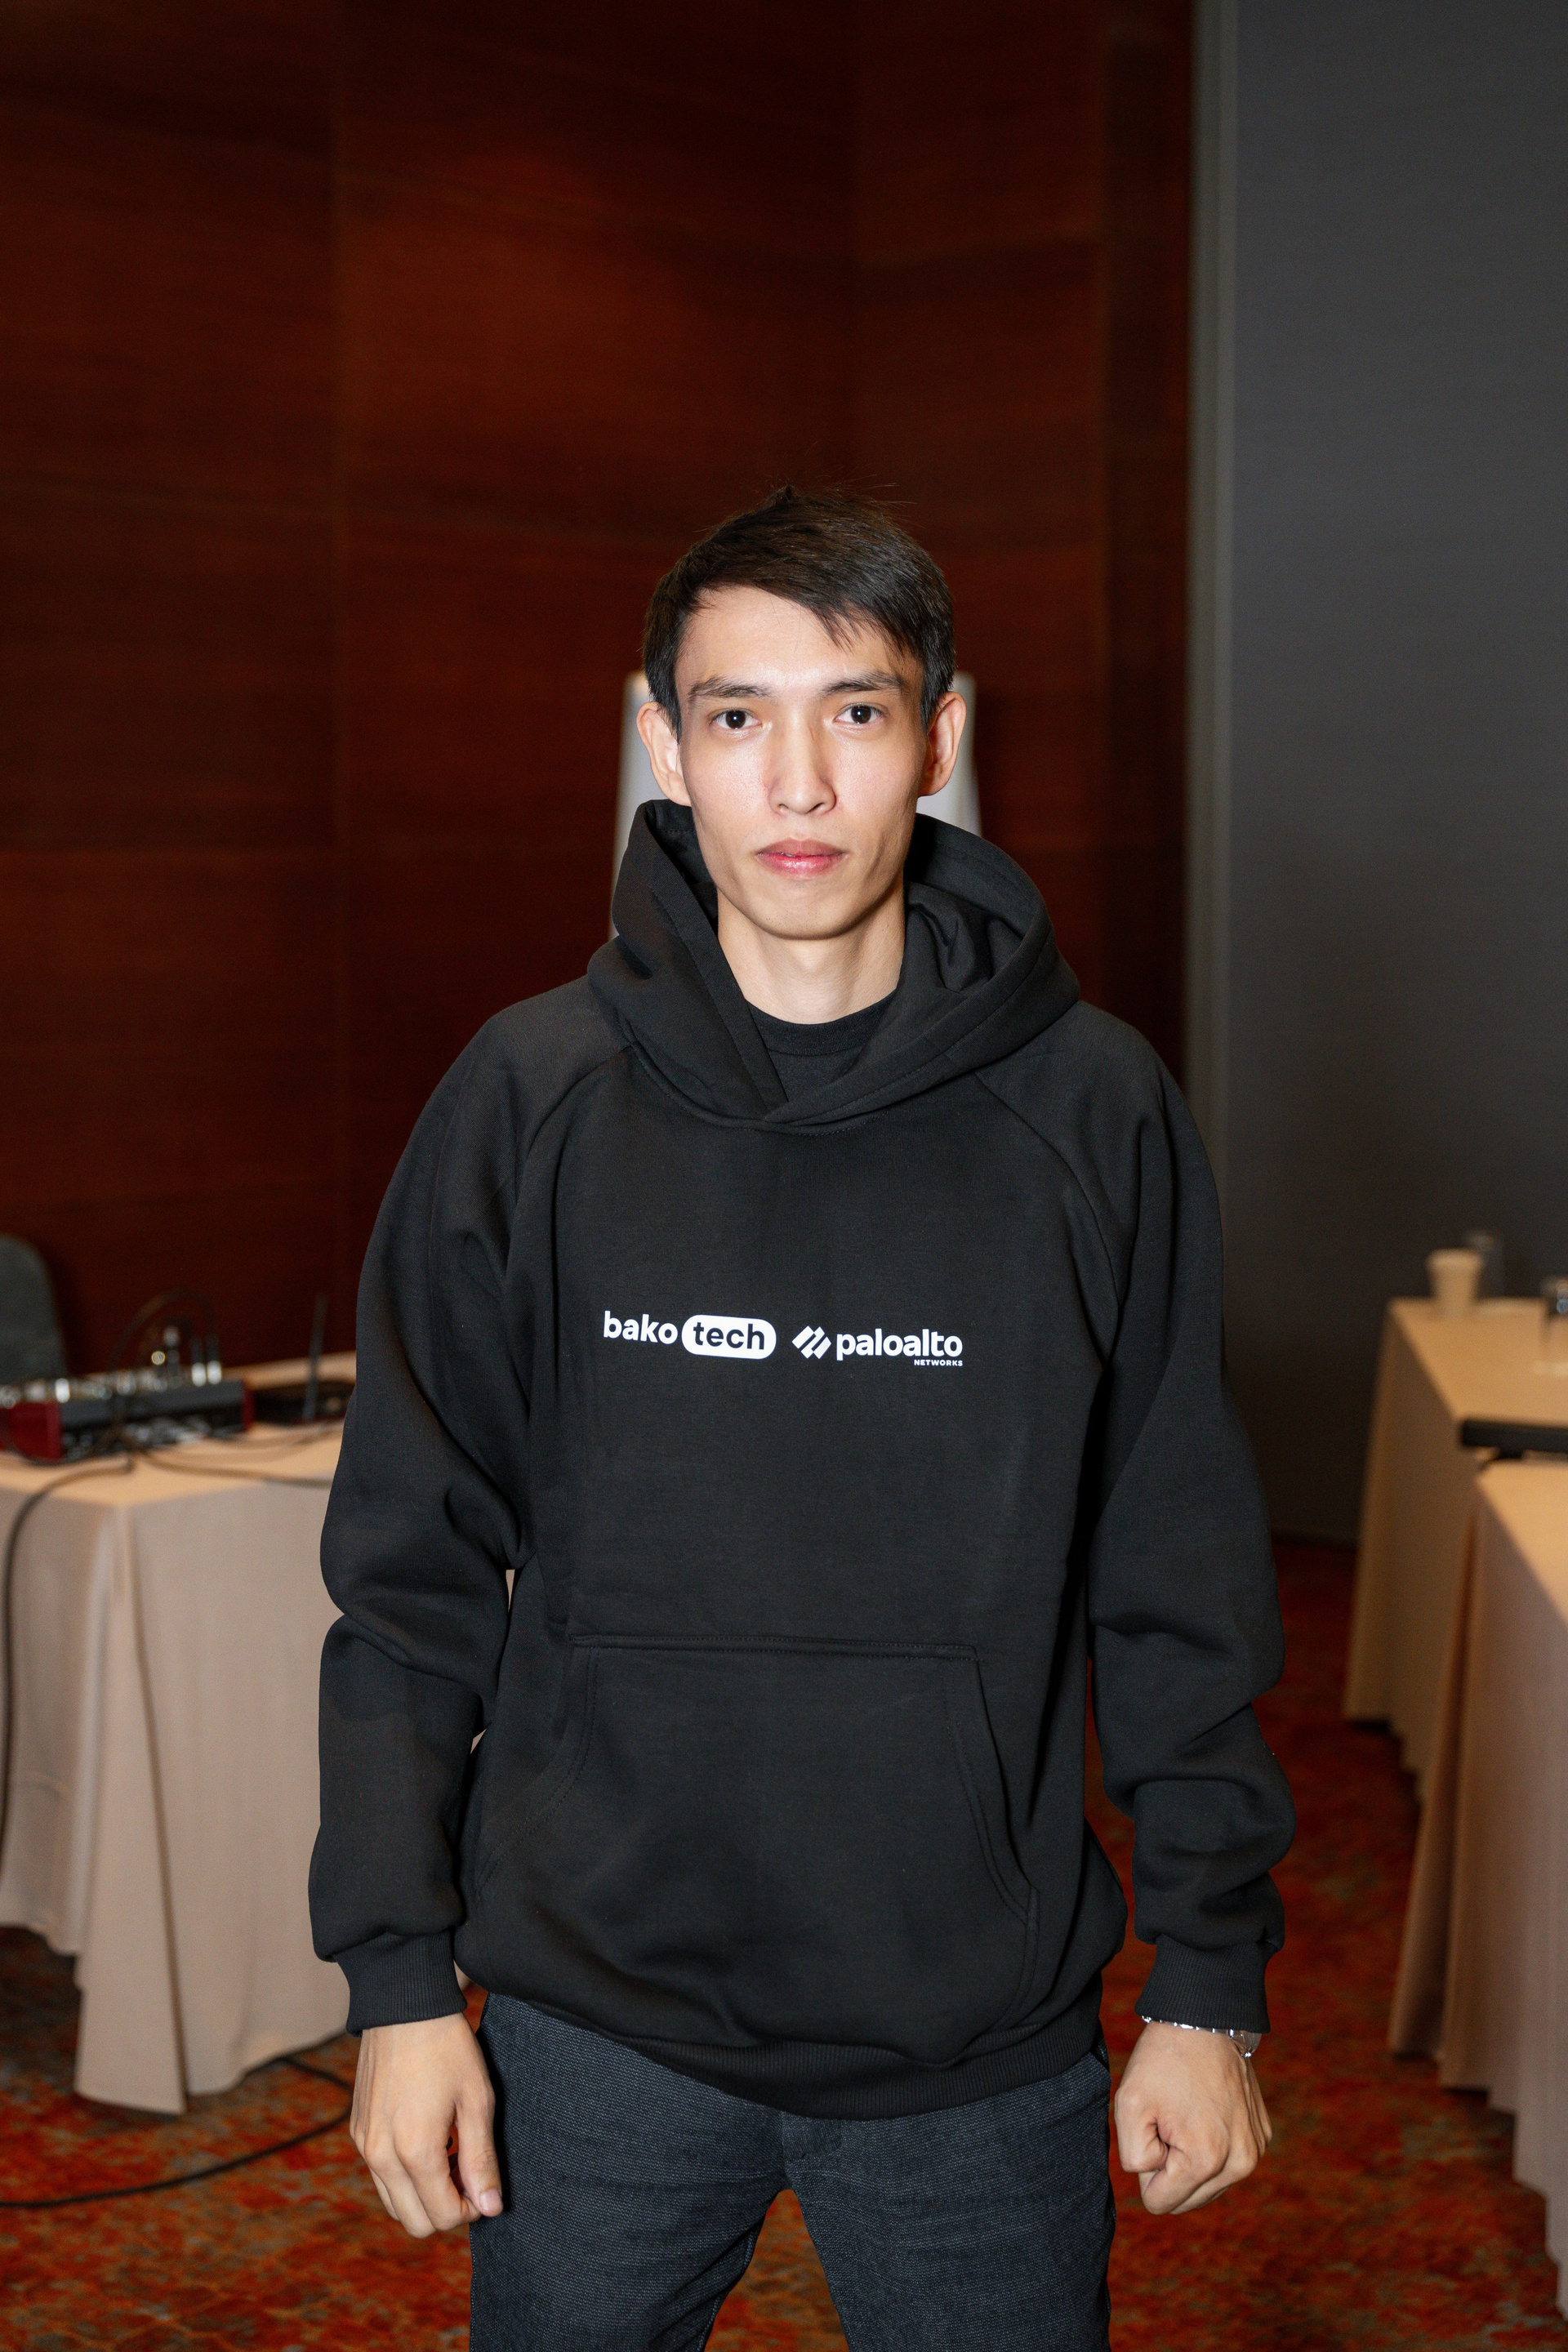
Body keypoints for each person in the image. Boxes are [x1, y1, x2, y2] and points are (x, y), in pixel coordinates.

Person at [310, 488, 1294, 2350]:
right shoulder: (528, 1098)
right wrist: (399, 1983)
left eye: (855, 709)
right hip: (593, 2025)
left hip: (975, 2037)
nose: (799, 780)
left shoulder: (1094, 1113)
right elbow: (408, 1580)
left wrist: (1208, 1982)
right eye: (737, 714)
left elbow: (1181, 1568)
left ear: (941, 737)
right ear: (664, 743)